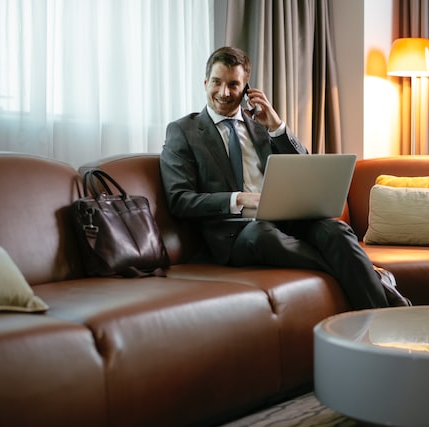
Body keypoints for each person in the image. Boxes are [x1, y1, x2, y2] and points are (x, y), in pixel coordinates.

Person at [159, 46, 409, 309]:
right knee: (261, 233)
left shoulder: (259, 125)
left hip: (286, 222)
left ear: (246, 89)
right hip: (237, 234)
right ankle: (378, 283)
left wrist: (277, 127)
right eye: (217, 82)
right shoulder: (183, 131)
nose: (224, 92)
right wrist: (241, 199)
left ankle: (380, 321)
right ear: (205, 82)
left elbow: (304, 170)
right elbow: (179, 200)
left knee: (334, 229)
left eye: (233, 84)